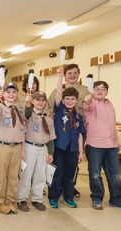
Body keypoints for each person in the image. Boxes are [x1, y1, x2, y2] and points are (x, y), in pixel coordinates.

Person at [83, 81, 121, 211]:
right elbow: (86, 108)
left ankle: (116, 199)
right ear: (92, 91)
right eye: (97, 89)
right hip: (94, 145)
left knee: (114, 174)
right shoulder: (89, 103)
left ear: (107, 91)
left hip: (111, 145)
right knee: (95, 174)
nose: (100, 91)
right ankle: (97, 198)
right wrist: (88, 100)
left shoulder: (109, 103)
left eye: (103, 89)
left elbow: (111, 124)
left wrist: (116, 141)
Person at [48, 63, 89, 198]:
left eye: (75, 73)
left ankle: (69, 188)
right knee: (58, 164)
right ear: (65, 75)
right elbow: (51, 108)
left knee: (73, 162)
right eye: (69, 73)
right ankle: (56, 189)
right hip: (62, 132)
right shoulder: (58, 91)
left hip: (77, 130)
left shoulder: (85, 90)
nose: (72, 75)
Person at [17, 91, 56, 212]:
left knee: (40, 175)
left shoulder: (48, 117)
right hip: (30, 146)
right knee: (26, 174)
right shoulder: (28, 114)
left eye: (43, 100)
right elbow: (27, 113)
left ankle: (37, 199)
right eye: (37, 100)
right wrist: (28, 105)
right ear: (33, 101)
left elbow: (51, 137)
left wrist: (50, 153)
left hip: (42, 148)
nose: (40, 102)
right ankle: (22, 199)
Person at [0, 82, 26, 214]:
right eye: (8, 92)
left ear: (17, 94)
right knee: (1, 177)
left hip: (16, 147)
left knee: (13, 177)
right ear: (4, 94)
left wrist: (22, 150)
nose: (11, 95)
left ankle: (11, 200)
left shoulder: (19, 109)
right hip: (2, 146)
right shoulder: (0, 107)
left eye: (13, 92)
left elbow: (23, 130)